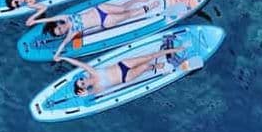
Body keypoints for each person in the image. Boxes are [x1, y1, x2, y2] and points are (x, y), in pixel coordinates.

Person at [25, 0, 161, 60]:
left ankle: (136, 0)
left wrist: (35, 21)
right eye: (60, 32)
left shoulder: (66, 17)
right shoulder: (72, 32)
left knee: (122, 8)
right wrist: (56, 55)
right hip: (104, 21)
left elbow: (48, 19)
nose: (61, 29)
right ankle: (148, 8)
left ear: (57, 24)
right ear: (62, 33)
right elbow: (63, 44)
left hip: (100, 9)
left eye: (58, 28)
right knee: (128, 15)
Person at [57, 46, 186, 97]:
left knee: (149, 56)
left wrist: (63, 58)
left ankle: (176, 49)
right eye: (82, 84)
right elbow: (92, 93)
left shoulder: (92, 72)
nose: (83, 80)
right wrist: (87, 93)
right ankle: (155, 67)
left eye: (80, 80)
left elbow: (79, 64)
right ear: (85, 87)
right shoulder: (96, 87)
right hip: (126, 77)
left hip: (122, 65)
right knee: (145, 66)